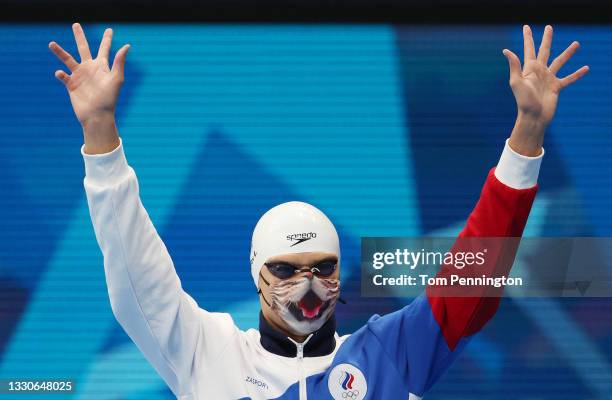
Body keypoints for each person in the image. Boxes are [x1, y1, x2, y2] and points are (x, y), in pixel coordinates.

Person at [49, 23, 588, 400]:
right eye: (285, 269)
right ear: (256, 275)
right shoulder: (203, 351)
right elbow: (134, 277)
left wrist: (528, 134)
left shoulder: (391, 352)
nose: (307, 285)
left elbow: (473, 275)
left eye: (323, 268)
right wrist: (100, 133)